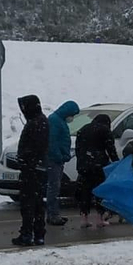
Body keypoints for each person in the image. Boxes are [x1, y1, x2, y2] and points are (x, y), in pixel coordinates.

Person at [12, 94, 48, 247]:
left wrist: (23, 159)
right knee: (38, 204)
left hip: (30, 169)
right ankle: (39, 234)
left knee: (28, 204)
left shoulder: (34, 124)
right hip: (39, 169)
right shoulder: (42, 122)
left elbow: (30, 148)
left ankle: (27, 234)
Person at [74, 112, 118, 229]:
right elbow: (110, 148)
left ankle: (84, 218)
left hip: (84, 165)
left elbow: (78, 148)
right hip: (98, 165)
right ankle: (100, 218)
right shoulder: (104, 130)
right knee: (99, 191)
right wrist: (116, 163)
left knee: (85, 191)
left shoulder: (83, 129)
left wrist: (82, 161)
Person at [45, 101, 80, 225]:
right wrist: (59, 156)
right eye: (73, 115)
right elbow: (52, 141)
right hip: (55, 160)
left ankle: (54, 214)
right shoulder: (55, 121)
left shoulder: (59, 120)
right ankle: (53, 215)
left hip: (58, 159)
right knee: (54, 188)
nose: (72, 118)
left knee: (55, 187)